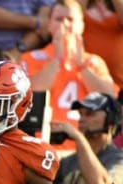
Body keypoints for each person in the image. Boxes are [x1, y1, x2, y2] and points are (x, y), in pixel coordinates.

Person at [20, 0, 118, 150]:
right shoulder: (31, 58)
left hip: (84, 148)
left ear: (82, 25)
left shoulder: (94, 62)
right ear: (49, 25)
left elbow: (109, 99)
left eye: (71, 19)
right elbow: (31, 94)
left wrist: (81, 66)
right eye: (59, 19)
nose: (65, 24)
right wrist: (57, 59)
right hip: (44, 145)